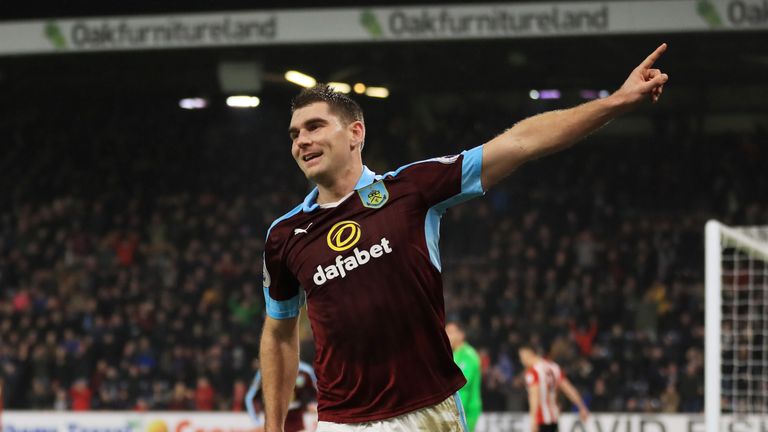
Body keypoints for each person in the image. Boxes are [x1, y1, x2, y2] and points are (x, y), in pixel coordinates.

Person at [260, 44, 669, 432]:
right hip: (341, 420)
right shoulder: (284, 237)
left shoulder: (411, 190)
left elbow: (520, 142)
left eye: (315, 126)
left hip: (427, 412)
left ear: (355, 133)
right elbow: (278, 335)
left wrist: (615, 101)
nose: (302, 141)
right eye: (295, 134)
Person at [518, 344, 590, 432]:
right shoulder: (554, 367)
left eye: (522, 357)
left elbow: (534, 396)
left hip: (541, 419)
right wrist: (582, 407)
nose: (522, 361)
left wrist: (533, 420)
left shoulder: (533, 372)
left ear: (528, 354)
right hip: (554, 418)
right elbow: (569, 389)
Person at [245, 361, 318, 432]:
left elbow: (317, 396)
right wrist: (256, 422)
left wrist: (314, 410)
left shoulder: (305, 371)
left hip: (296, 423)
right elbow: (250, 398)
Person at [446, 321, 483, 431]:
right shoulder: (452, 354)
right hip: (454, 409)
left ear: (461, 335)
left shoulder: (469, 355)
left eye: (450, 332)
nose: (446, 335)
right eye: (445, 331)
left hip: (466, 409)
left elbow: (463, 381)